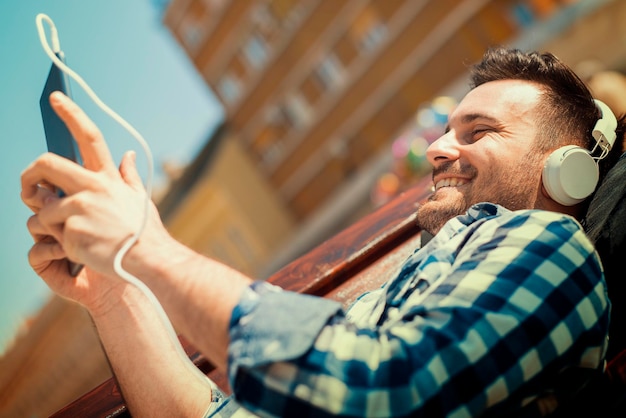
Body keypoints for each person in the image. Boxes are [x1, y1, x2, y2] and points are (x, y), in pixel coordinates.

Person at [21, 47, 625, 417]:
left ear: (565, 167)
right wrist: (111, 286)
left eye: (479, 131)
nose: (438, 148)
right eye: (446, 129)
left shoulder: (552, 246)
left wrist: (146, 247)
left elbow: (382, 394)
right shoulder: (417, 279)